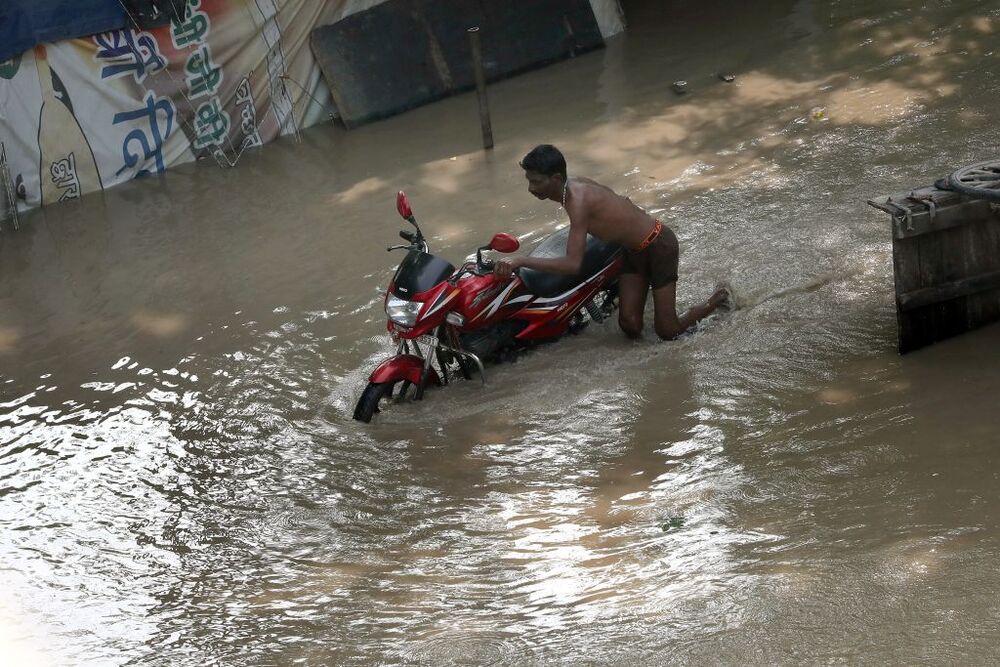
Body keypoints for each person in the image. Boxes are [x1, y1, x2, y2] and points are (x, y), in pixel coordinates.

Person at [494, 144, 730, 340]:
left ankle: (716, 301)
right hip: (632, 250)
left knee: (668, 332)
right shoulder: (575, 184)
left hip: (659, 246)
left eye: (536, 182)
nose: (530, 188)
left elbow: (572, 264)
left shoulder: (576, 202)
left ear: (556, 178)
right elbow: (621, 199)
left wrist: (521, 260)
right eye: (529, 181)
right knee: (629, 325)